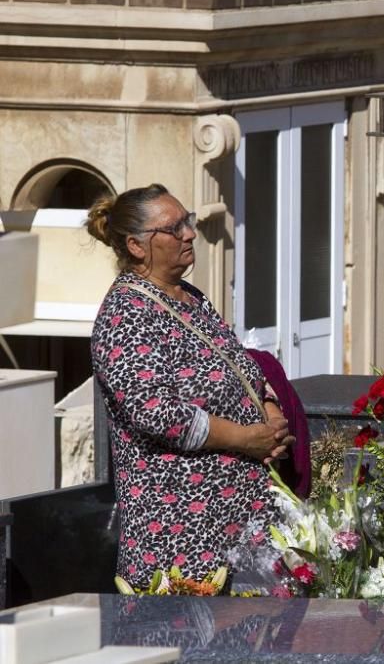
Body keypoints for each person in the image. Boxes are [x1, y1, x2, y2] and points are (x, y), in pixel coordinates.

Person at [87, 183, 291, 587]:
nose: (189, 233)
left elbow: (239, 366)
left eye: (188, 221)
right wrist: (245, 439)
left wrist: (270, 414)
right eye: (174, 227)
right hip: (182, 540)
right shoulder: (126, 314)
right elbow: (158, 413)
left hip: (243, 523)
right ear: (137, 245)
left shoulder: (190, 297)